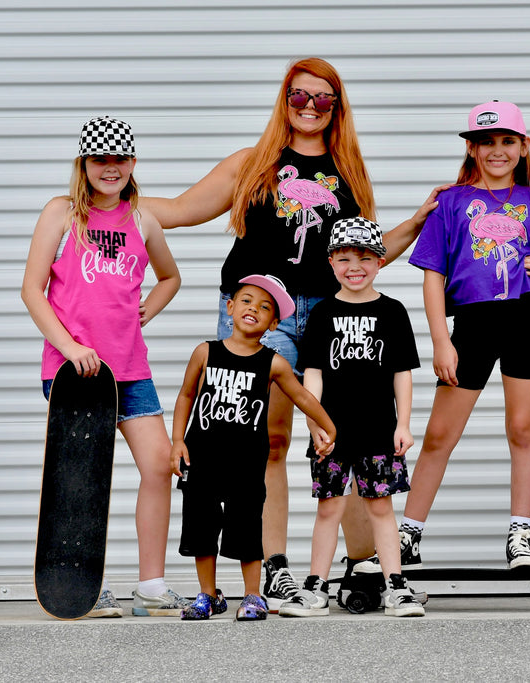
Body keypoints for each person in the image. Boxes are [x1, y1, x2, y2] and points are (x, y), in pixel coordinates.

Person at [141, 57, 446, 608]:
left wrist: (419, 221)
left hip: (333, 315)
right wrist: (110, 204)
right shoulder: (252, 163)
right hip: (265, 313)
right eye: (299, 96)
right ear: (285, 101)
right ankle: (275, 566)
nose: (310, 107)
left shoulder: (348, 171)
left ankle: (363, 567)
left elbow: (366, 251)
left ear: (337, 107)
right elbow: (182, 209)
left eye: (322, 98)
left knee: (349, 433)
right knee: (271, 439)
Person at [400, 100, 530, 570]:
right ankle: (408, 534)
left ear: (523, 146)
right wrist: (441, 340)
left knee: (523, 430)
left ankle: (520, 536)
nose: (497, 150)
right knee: (440, 434)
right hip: (472, 324)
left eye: (508, 141)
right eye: (486, 141)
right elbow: (432, 275)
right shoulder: (450, 202)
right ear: (471, 148)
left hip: (524, 321)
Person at [21, 116, 184, 617]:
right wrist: (70, 348)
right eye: (100, 159)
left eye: (119, 159)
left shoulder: (143, 219)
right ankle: (81, 586)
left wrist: (146, 311)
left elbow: (170, 277)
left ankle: (151, 585)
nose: (110, 168)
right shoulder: (62, 213)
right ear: (84, 163)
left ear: (133, 162)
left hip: (130, 369)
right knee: (81, 477)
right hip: (75, 373)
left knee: (159, 465)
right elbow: (32, 290)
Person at [280, 217, 424, 618]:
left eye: (364, 258)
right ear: (330, 262)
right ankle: (315, 589)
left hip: (378, 431)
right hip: (332, 435)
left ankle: (396, 587)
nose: (354, 267)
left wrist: (404, 424)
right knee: (329, 509)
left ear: (380, 262)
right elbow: (312, 375)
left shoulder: (393, 312)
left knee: (380, 508)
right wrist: (314, 424)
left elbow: (402, 373)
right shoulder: (322, 313)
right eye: (343, 258)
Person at [172, 274, 337, 621]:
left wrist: (328, 424)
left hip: (247, 462)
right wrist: (177, 441)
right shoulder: (205, 352)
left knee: (247, 528)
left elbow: (303, 395)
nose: (253, 309)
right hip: (203, 457)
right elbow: (186, 395)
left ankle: (252, 595)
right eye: (246, 301)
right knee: (202, 528)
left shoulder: (273, 362)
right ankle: (207, 595)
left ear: (273, 323)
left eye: (265, 307)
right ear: (230, 307)